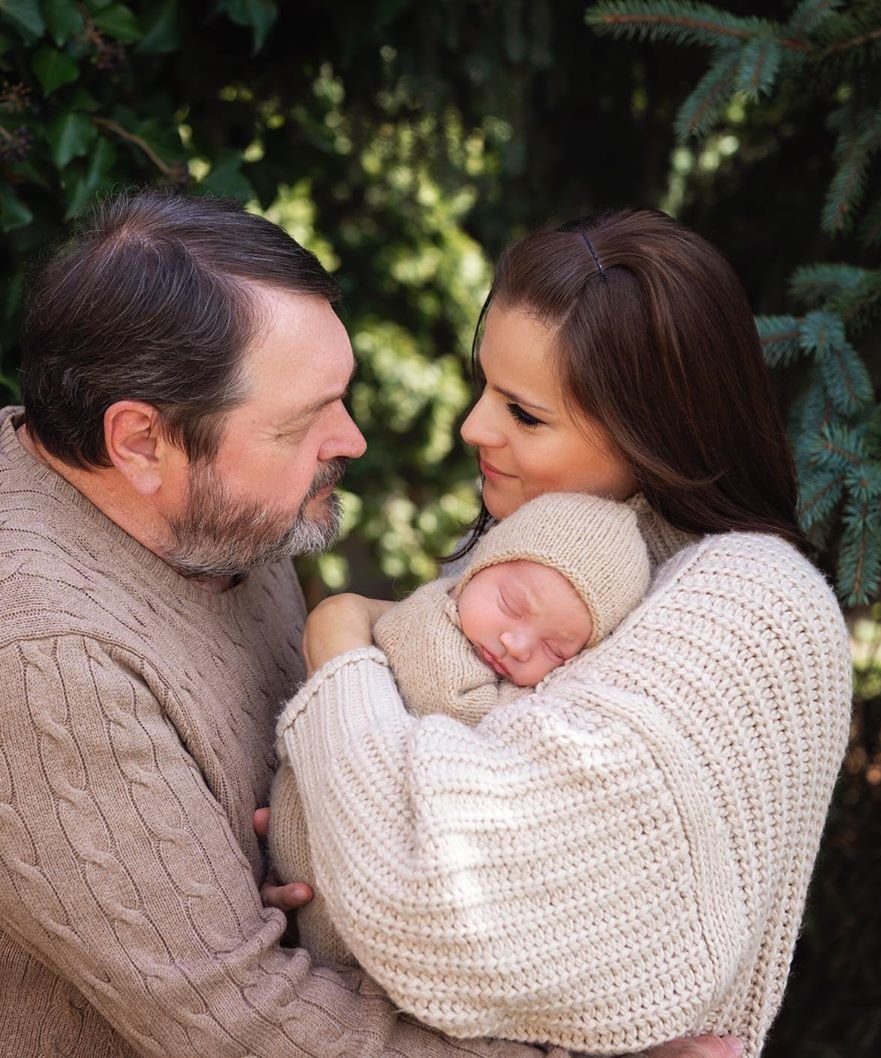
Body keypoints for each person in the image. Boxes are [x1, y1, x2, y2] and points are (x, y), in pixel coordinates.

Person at [0, 191, 741, 1058]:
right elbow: (243, 1022)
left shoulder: (207, 509)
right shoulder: (48, 665)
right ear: (139, 442)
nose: (350, 439)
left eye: (340, 399)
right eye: (300, 423)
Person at [272, 209, 854, 1057]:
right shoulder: (533, 561)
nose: (474, 427)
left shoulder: (752, 603)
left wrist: (339, 637)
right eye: (484, 387)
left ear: (653, 433)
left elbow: (434, 897)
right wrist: (321, 819)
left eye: (525, 414)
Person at [270, 490, 651, 962]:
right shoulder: (429, 624)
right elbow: (457, 710)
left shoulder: (488, 648)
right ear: (479, 567)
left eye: (556, 650)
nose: (517, 643)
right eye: (511, 605)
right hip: (333, 846)